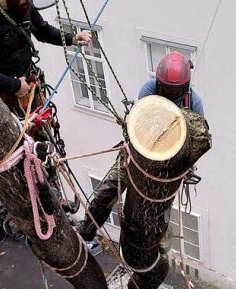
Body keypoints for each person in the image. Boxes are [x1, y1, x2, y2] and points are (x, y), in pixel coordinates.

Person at [77, 51, 205, 241]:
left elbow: (196, 142)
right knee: (109, 187)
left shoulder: (193, 103)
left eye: (173, 91)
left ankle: (158, 242)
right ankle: (89, 225)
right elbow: (141, 126)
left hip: (171, 163)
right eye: (166, 89)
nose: (169, 95)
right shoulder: (149, 90)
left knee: (160, 206)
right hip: (141, 152)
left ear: (184, 87)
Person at [0, 0, 91, 114]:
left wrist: (72, 38)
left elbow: (43, 31)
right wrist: (14, 85)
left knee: (42, 126)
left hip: (28, 82)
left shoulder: (23, 4)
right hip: (4, 96)